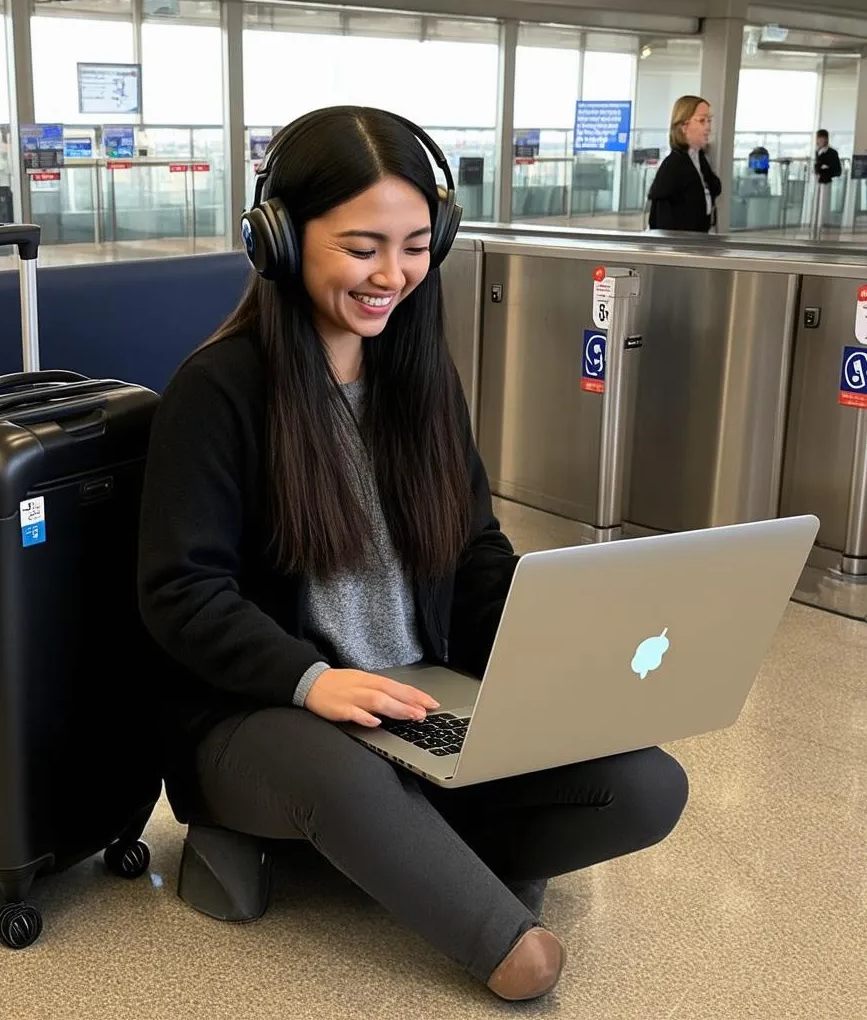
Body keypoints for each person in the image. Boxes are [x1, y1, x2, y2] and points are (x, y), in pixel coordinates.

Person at [138, 105, 689, 1002]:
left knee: (645, 784)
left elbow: (472, 552)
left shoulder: (419, 374)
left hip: (415, 696)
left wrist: (552, 641)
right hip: (268, 718)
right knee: (348, 774)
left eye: (415, 245)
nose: (391, 275)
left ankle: (422, 843)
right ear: (279, 238)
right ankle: (501, 935)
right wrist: (315, 681)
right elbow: (181, 593)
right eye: (362, 247)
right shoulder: (220, 390)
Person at [647, 95, 722, 232]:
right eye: (702, 121)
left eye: (709, 120)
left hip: (699, 240)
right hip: (682, 246)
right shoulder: (673, 166)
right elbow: (661, 220)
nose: (708, 128)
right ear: (683, 126)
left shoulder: (700, 160)